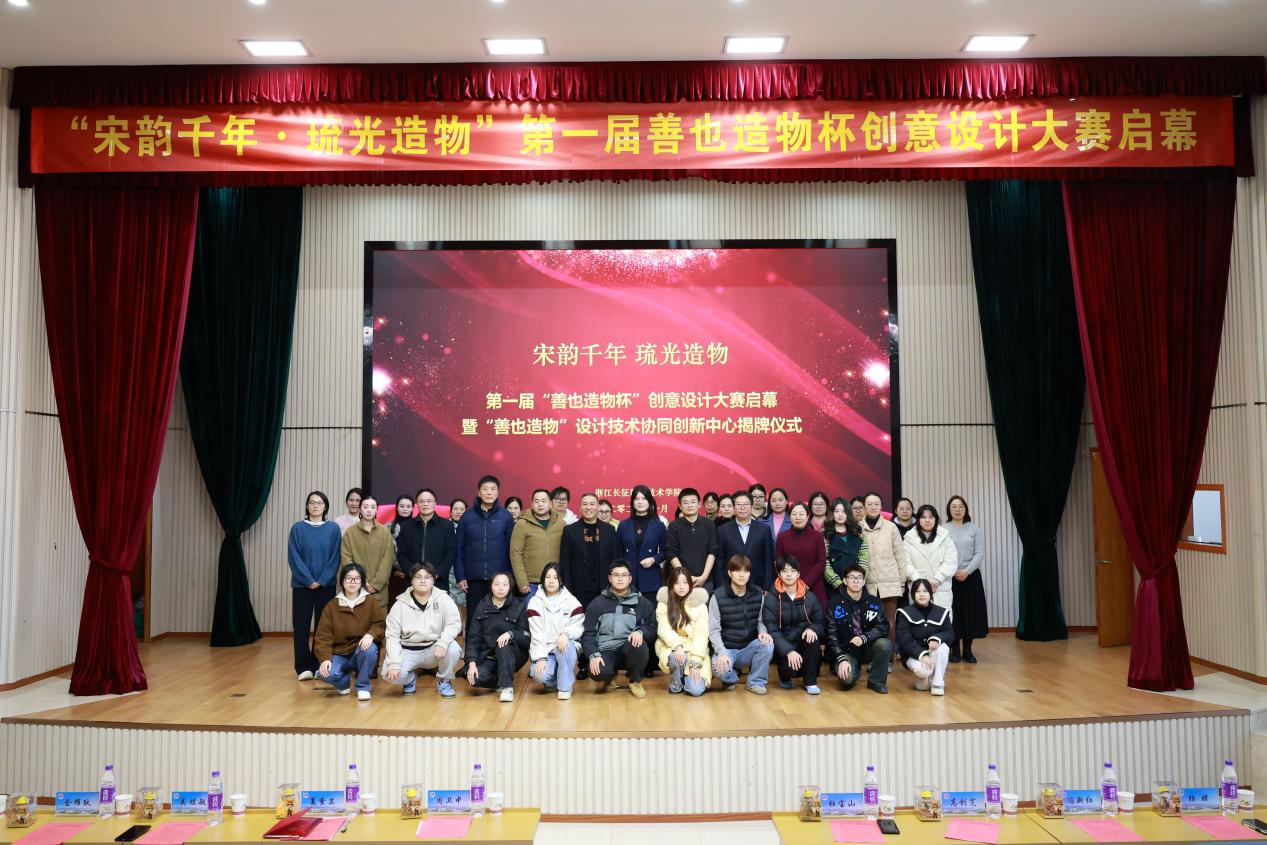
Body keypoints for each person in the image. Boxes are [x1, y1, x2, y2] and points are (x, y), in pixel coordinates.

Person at [382, 562, 461, 698]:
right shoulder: (400, 604)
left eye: (427, 577)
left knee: (453, 648)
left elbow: (453, 624)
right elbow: (392, 636)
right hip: (408, 650)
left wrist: (443, 642)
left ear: (433, 580)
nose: (423, 580)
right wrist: (394, 663)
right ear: (412, 580)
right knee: (387, 674)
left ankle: (444, 680)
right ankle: (410, 679)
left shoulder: (443, 599)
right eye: (418, 577)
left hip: (434, 649)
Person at [582, 560, 657, 699]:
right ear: (610, 578)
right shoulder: (597, 603)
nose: (620, 578)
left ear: (630, 578)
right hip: (606, 650)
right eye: (616, 575)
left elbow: (652, 626)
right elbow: (588, 633)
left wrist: (640, 632)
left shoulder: (642, 603)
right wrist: (593, 654)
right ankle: (610, 676)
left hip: (629, 649)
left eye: (624, 575)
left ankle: (635, 681)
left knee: (639, 645)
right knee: (597, 671)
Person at [288, 491, 341, 680]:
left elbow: (336, 556)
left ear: (325, 507)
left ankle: (319, 664)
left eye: (319, 503)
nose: (316, 506)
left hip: (326, 586)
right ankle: (303, 667)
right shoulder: (297, 528)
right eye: (312, 502)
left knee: (323, 627)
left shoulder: (333, 529)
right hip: (302, 586)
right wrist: (308, 580)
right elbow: (294, 556)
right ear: (307, 506)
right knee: (301, 626)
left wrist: (323, 579)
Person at [314, 563, 387, 700]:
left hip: (360, 651)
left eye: (357, 578)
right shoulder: (332, 605)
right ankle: (343, 683)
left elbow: (380, 624)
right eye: (348, 578)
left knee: (370, 649)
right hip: (339, 653)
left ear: (362, 581)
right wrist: (324, 658)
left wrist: (371, 634)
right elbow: (323, 636)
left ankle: (363, 686)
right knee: (324, 673)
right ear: (342, 581)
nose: (352, 582)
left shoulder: (370, 601)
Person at [453, 475, 517, 628]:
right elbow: (458, 549)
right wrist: (460, 576)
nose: (489, 492)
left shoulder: (506, 516)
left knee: (499, 621)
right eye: (485, 489)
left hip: (499, 580)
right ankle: (472, 645)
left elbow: (512, 549)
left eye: (493, 489)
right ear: (479, 492)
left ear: (498, 492)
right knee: (474, 620)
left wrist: (510, 577)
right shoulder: (467, 517)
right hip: (473, 579)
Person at [709, 554, 774, 695]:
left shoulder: (758, 593)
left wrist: (762, 631)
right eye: (737, 571)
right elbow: (713, 630)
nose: (742, 575)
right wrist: (721, 652)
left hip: (748, 647)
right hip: (727, 649)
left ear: (750, 574)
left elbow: (760, 621)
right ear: (729, 573)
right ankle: (731, 678)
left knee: (768, 644)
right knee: (718, 668)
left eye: (746, 571)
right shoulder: (717, 596)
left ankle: (755, 682)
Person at [825, 562, 893, 694]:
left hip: (868, 647)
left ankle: (876, 681)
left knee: (885, 644)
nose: (856, 581)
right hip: (846, 650)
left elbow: (883, 627)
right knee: (846, 680)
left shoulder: (875, 602)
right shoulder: (834, 604)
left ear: (863, 582)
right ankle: (854, 671)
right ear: (845, 581)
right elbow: (831, 635)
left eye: (859, 578)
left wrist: (864, 637)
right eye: (851, 577)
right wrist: (841, 658)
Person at [762, 556, 824, 694]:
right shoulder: (771, 598)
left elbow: (820, 623)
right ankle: (785, 678)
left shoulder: (810, 597)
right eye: (784, 571)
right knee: (789, 670)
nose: (789, 574)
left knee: (812, 638)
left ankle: (810, 682)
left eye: (793, 570)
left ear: (798, 574)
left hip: (804, 646)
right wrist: (788, 651)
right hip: (784, 649)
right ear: (779, 574)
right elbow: (772, 630)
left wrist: (812, 628)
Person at [464, 571, 529, 702]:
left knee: (503, 645)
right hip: (489, 655)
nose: (500, 588)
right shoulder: (482, 605)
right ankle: (502, 678)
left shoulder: (519, 604)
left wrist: (511, 634)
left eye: (505, 585)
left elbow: (526, 636)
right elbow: (473, 638)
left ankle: (507, 687)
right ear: (491, 586)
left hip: (513, 654)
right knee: (474, 677)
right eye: (497, 584)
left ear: (510, 587)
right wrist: (472, 663)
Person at [527, 563, 585, 700]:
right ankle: (557, 680)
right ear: (543, 579)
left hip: (565, 645)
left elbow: (578, 626)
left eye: (555, 577)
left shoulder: (571, 600)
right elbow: (537, 634)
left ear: (561, 580)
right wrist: (541, 658)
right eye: (548, 577)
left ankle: (565, 688)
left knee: (565, 647)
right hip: (546, 649)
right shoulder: (535, 602)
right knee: (539, 675)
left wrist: (566, 634)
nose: (551, 581)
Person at [859, 492, 907, 649]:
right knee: (868, 623)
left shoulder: (891, 527)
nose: (873, 507)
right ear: (864, 507)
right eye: (869, 504)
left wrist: (902, 582)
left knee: (889, 623)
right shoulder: (857, 528)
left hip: (890, 582)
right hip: (866, 584)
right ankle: (872, 657)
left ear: (881, 507)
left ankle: (890, 659)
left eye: (876, 504)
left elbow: (900, 556)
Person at [944, 495, 988, 663]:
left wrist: (967, 571)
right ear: (949, 510)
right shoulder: (943, 528)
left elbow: (979, 553)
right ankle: (955, 650)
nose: (957, 509)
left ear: (965, 509)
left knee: (971, 613)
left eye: (960, 506)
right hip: (950, 576)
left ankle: (968, 650)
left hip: (970, 576)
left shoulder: (974, 529)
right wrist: (953, 570)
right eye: (954, 506)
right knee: (954, 613)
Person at [560, 492, 621, 610]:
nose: (588, 507)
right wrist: (567, 589)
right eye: (585, 504)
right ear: (580, 507)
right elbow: (565, 563)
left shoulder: (609, 530)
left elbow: (615, 560)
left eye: (592, 504)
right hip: (578, 591)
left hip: (604, 589)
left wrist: (614, 586)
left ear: (597, 507)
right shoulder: (569, 531)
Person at [656, 567, 712, 696]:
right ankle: (676, 684)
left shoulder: (700, 605)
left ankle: (686, 678)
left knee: (696, 690)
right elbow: (663, 629)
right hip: (672, 647)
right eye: (677, 583)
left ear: (691, 584)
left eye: (685, 582)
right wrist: (678, 645)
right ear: (671, 585)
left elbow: (701, 635)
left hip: (694, 650)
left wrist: (695, 662)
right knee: (677, 658)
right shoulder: (663, 604)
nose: (681, 587)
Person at [895, 578, 953, 695]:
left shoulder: (941, 612)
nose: (921, 594)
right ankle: (926, 678)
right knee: (924, 672)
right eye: (918, 591)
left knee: (943, 648)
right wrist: (922, 655)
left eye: (925, 591)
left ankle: (937, 684)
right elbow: (905, 640)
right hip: (912, 654)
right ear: (913, 594)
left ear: (930, 593)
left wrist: (936, 639)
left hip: (933, 652)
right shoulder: (904, 613)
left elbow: (949, 633)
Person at [396, 488, 456, 593]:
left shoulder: (446, 525)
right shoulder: (406, 526)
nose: (425, 504)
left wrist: (437, 573)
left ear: (435, 503)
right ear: (417, 504)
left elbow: (451, 552)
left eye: (429, 501)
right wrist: (413, 573)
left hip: (438, 581)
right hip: (412, 580)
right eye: (422, 501)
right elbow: (401, 553)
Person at [339, 495, 395, 608]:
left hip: (379, 591)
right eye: (365, 507)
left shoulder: (385, 532)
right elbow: (346, 560)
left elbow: (388, 560)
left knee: (379, 618)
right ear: (360, 509)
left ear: (377, 510)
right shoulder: (350, 532)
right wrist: (361, 582)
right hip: (356, 589)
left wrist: (376, 584)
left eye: (372, 507)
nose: (369, 510)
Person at [716, 490, 775, 589]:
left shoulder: (764, 529)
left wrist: (767, 586)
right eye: (738, 504)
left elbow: (768, 560)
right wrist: (721, 586)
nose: (742, 508)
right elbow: (719, 561)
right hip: (730, 584)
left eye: (746, 504)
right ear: (734, 508)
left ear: (751, 507)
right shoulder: (722, 530)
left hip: (757, 583)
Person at [509, 488, 564, 596]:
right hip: (531, 584)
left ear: (550, 504)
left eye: (544, 501)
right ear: (532, 504)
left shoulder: (560, 523)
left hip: (555, 580)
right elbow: (515, 554)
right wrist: (522, 581)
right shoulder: (522, 524)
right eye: (536, 501)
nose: (540, 504)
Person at [617, 485, 668, 597]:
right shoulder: (623, 525)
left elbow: (665, 551)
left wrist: (653, 559)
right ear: (632, 502)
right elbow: (618, 552)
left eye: (644, 498)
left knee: (650, 607)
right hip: (628, 577)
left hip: (650, 577)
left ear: (649, 501)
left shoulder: (659, 525)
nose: (640, 502)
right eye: (637, 499)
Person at [903, 505, 957, 610]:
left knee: (941, 617)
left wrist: (936, 580)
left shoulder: (945, 537)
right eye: (923, 517)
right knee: (918, 618)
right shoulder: (909, 538)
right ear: (918, 520)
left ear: (936, 519)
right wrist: (920, 582)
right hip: (918, 588)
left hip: (940, 587)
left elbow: (951, 562)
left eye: (931, 517)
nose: (927, 520)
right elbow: (905, 563)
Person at [775, 502, 827, 607]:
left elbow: (821, 562)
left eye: (801, 514)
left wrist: (806, 583)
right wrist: (791, 581)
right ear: (789, 517)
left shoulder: (817, 536)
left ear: (807, 516)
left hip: (813, 585)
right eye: (794, 514)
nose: (798, 517)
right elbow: (779, 561)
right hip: (789, 585)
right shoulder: (782, 537)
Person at [666, 487, 720, 589]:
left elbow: (712, 552)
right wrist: (685, 577)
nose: (689, 505)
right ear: (680, 506)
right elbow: (671, 553)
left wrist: (704, 576)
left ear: (699, 504)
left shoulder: (709, 524)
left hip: (705, 579)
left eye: (693, 502)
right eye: (685, 502)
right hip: (681, 581)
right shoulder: (674, 526)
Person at [824, 497, 869, 605]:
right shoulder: (825, 536)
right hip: (835, 587)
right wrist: (839, 584)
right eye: (836, 511)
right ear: (832, 513)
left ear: (848, 513)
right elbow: (825, 563)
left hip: (856, 585)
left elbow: (864, 560)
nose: (840, 514)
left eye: (844, 511)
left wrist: (857, 580)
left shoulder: (859, 534)